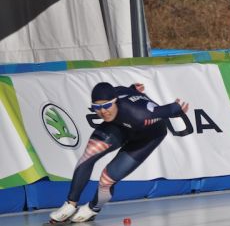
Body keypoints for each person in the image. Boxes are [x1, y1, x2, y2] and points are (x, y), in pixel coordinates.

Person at [49, 82, 189, 223]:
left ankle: (93, 208)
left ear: (115, 101)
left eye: (106, 105)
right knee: (88, 156)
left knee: (106, 179)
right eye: (97, 107)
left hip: (147, 136)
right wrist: (133, 88)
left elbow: (165, 111)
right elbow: (126, 91)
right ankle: (70, 204)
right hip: (119, 126)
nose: (103, 111)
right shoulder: (114, 94)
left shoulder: (140, 114)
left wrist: (177, 108)